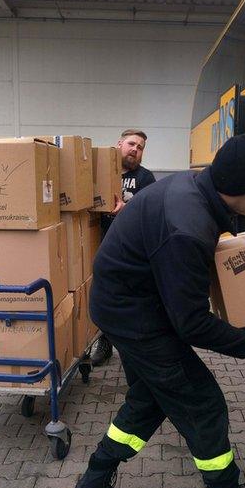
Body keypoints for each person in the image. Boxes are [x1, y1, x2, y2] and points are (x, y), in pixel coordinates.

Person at [69, 134, 245, 488]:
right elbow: (191, 324)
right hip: (133, 314)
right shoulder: (188, 227)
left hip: (131, 302)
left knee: (150, 399)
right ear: (237, 187)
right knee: (202, 404)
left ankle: (91, 487)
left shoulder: (197, 192)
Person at [91, 128, 156, 366]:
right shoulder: (100, 171)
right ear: (119, 144)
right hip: (98, 242)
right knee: (102, 296)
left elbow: (150, 212)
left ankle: (132, 350)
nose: (135, 150)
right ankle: (104, 344)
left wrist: (125, 209)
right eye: (131, 144)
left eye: (140, 148)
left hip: (127, 249)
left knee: (128, 299)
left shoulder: (146, 178)